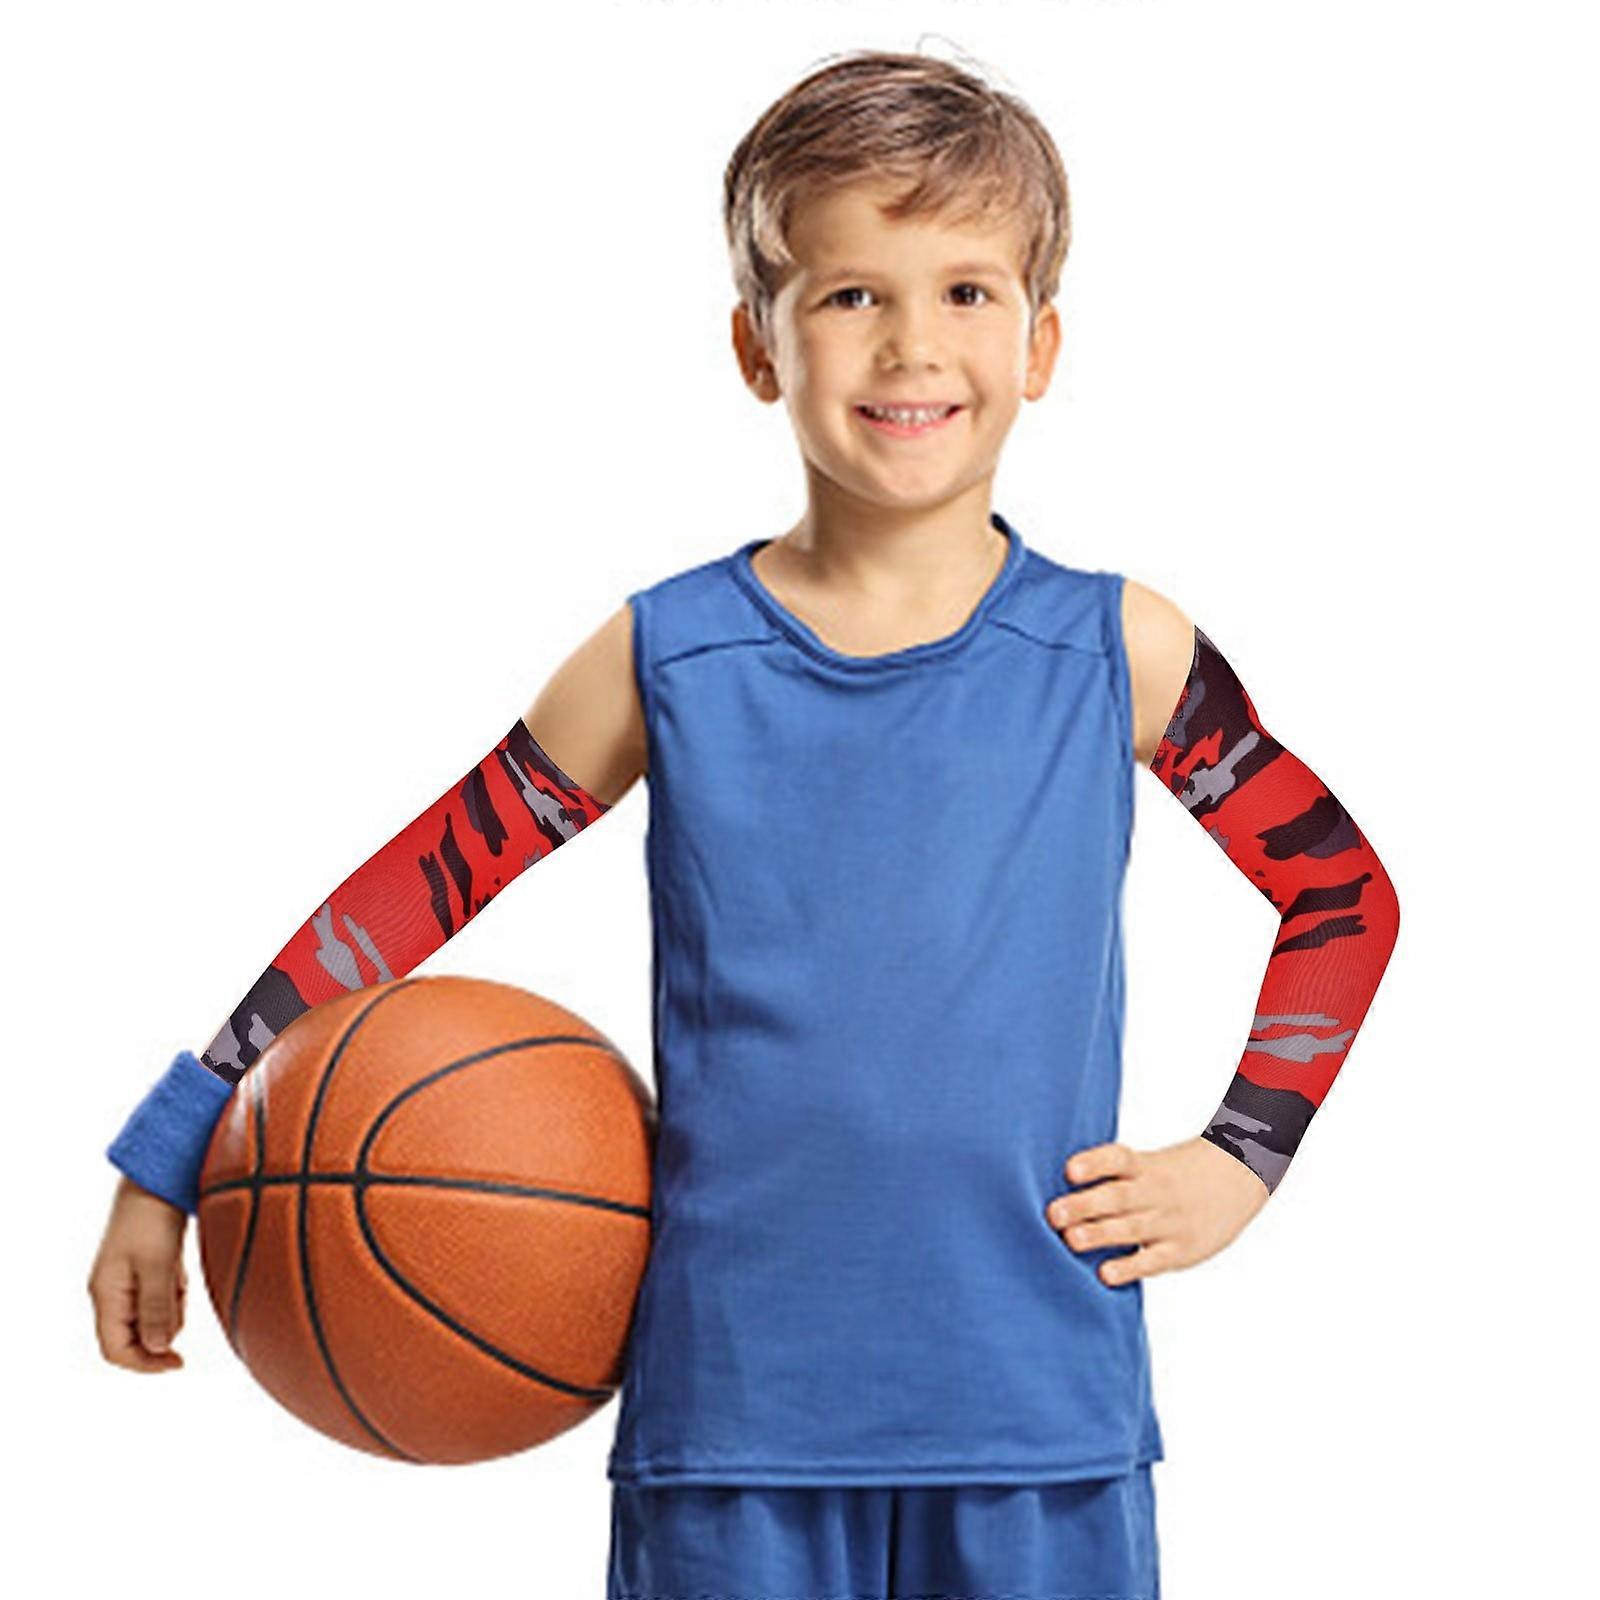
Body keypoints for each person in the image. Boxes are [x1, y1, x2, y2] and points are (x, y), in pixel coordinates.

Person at [87, 47, 1400, 1600]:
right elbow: (418, 890)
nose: (912, 343)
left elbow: (1342, 895)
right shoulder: (667, 656)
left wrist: (1240, 1159)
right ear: (755, 345)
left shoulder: (1119, 650)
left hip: (1038, 1420)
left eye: (966, 291)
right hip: (732, 1434)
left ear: (1041, 342)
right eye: (849, 294)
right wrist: (176, 1143)